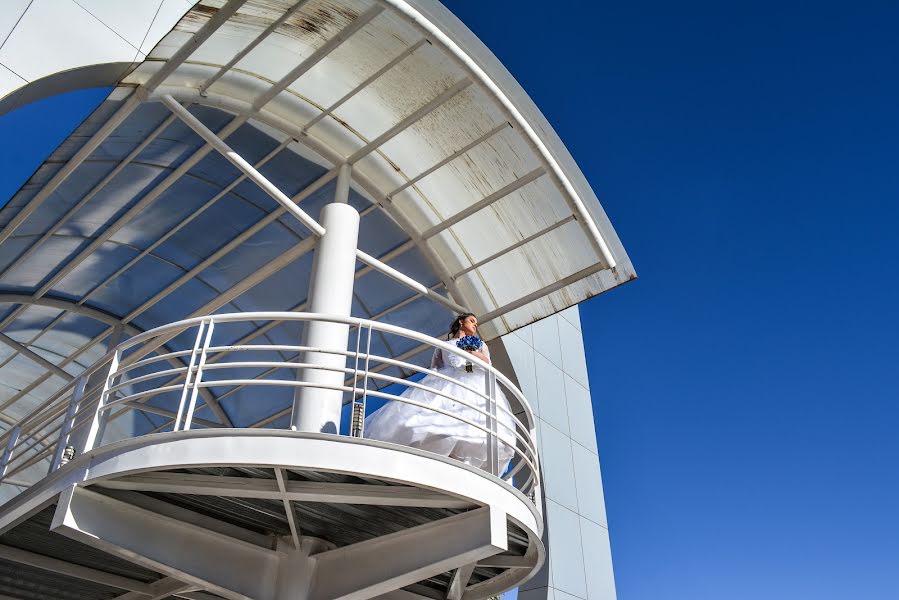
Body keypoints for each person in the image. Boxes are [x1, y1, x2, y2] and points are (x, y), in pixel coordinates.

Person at [365, 313, 516, 473]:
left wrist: (469, 352)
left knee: (468, 424)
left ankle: (457, 460)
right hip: (446, 382)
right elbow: (435, 368)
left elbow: (484, 363)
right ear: (460, 322)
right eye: (472, 321)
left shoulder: (478, 344)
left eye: (476, 323)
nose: (475, 325)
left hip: (471, 382)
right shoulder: (444, 345)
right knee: (432, 420)